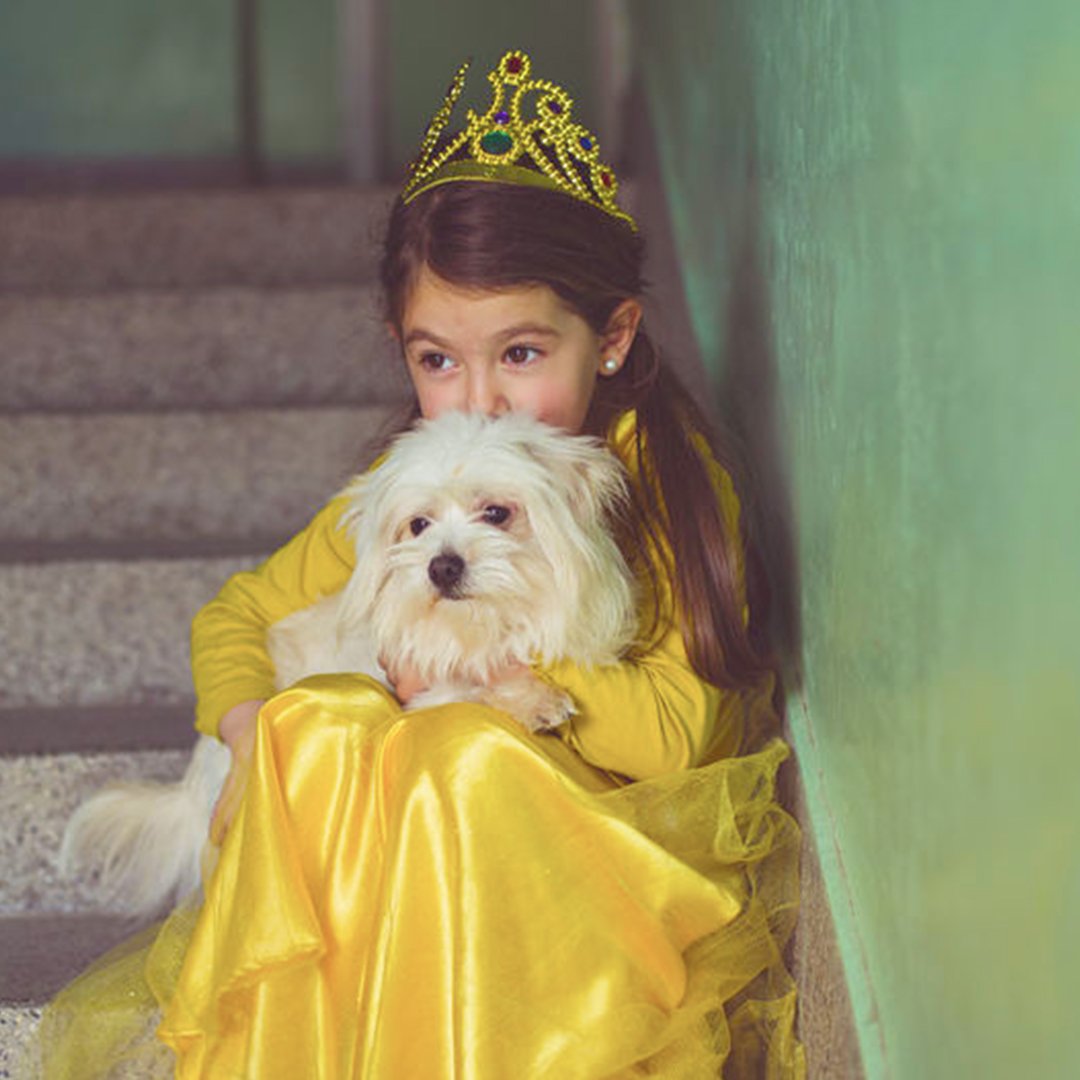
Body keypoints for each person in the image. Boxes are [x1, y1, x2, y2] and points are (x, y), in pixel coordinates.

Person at [38, 50, 804, 1078]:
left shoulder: (658, 481)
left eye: (520, 354)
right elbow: (236, 615)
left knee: (459, 758)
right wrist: (248, 731)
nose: (479, 398)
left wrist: (497, 675)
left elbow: (675, 736)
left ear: (613, 336)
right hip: (413, 874)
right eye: (438, 360)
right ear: (401, 348)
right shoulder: (417, 478)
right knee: (320, 724)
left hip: (586, 878)